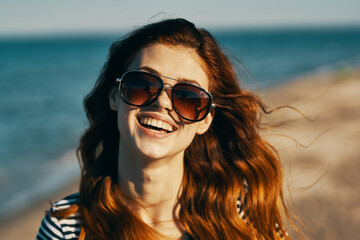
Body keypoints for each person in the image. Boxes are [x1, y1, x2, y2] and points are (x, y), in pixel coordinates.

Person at [36, 18, 296, 240]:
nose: (161, 102)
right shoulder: (68, 227)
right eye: (143, 83)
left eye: (188, 97)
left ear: (205, 119)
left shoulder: (242, 215)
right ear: (115, 96)